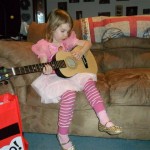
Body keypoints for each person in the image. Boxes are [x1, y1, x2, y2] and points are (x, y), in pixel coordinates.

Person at [31, 9, 122, 150]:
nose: (66, 34)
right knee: (69, 94)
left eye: (68, 31)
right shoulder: (43, 45)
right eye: (62, 31)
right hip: (55, 77)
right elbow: (43, 61)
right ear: (52, 27)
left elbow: (87, 44)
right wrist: (46, 67)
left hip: (73, 73)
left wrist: (80, 51)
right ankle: (62, 135)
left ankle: (104, 121)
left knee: (89, 83)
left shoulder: (67, 40)